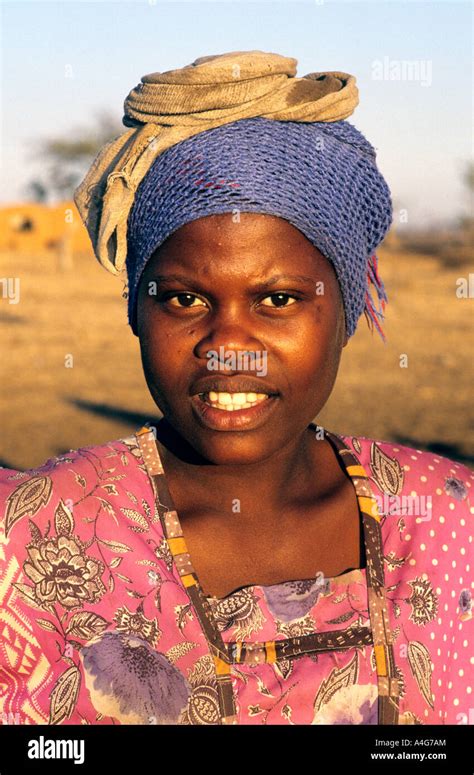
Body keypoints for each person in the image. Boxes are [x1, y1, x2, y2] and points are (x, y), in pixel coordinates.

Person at [0, 51, 472, 727]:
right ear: (136, 308)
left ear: (345, 313)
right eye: (185, 298)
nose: (228, 345)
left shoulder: (447, 524)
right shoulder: (33, 537)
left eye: (277, 298)